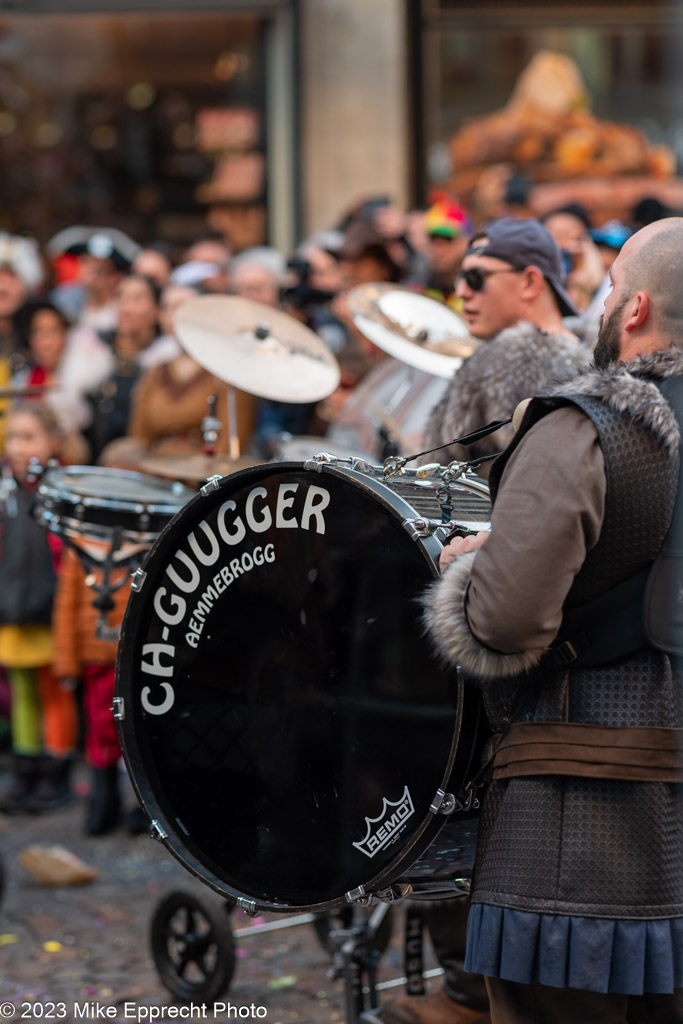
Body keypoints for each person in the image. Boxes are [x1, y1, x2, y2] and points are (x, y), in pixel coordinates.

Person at [424, 217, 683, 1021]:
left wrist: (472, 565)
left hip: (581, 818)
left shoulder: (584, 425)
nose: (599, 304)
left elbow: (504, 622)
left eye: (606, 288)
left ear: (633, 308)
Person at [422, 218, 592, 474]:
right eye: (461, 277)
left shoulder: (499, 366)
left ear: (530, 282)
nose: (462, 291)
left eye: (475, 277)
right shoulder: (598, 359)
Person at [0, 403, 78, 814]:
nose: (17, 446)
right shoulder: (4, 489)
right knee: (21, 692)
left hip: (50, 610)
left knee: (54, 691)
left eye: (28, 437)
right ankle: (25, 765)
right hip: (11, 608)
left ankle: (56, 767)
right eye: (12, 436)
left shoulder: (59, 490)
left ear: (52, 443)